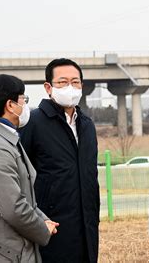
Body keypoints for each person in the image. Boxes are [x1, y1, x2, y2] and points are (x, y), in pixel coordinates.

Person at [0, 74, 58, 262]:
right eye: (23, 100)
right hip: (4, 252)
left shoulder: (4, 138)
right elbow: (13, 207)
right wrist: (42, 229)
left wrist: (42, 218)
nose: (25, 106)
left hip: (12, 248)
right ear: (10, 105)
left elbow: (23, 196)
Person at [20, 58, 100, 262]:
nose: (70, 88)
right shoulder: (33, 123)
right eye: (63, 82)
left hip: (87, 227)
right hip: (50, 227)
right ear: (48, 87)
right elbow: (20, 176)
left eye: (75, 82)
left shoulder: (87, 125)